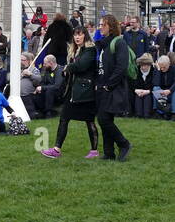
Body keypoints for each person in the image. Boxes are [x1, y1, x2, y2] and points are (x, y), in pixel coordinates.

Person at [40, 26, 100, 159]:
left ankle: (94, 151)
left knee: (89, 121)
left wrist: (67, 67)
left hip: (86, 92)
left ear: (85, 35)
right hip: (73, 91)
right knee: (64, 118)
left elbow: (81, 66)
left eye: (80, 34)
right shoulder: (75, 51)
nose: (77, 37)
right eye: (75, 35)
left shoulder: (90, 50)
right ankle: (56, 149)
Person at [94, 16, 132, 160]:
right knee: (105, 119)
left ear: (111, 26)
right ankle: (109, 152)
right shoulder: (103, 44)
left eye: (103, 25)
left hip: (113, 87)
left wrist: (109, 85)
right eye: (100, 24)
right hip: (103, 86)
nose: (100, 27)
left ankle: (124, 144)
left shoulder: (119, 42)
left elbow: (121, 67)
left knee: (104, 119)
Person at [150, 56, 175, 120]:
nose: (162, 69)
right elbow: (156, 83)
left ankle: (174, 114)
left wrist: (170, 90)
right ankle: (158, 112)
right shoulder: (157, 70)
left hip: (170, 91)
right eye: (161, 67)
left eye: (164, 67)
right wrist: (158, 71)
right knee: (155, 88)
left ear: (169, 64)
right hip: (161, 91)